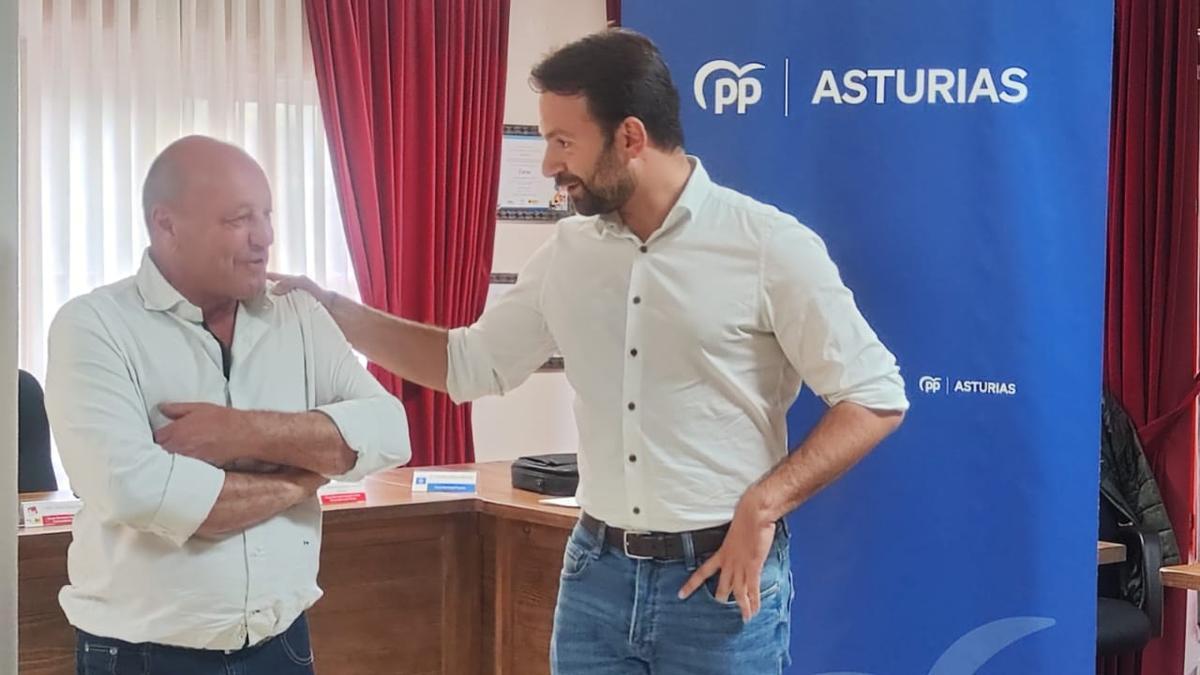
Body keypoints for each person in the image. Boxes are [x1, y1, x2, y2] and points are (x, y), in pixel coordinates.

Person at [272, 29, 908, 675]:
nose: (548, 163)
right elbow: (468, 364)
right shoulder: (566, 255)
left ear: (630, 138)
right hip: (593, 578)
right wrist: (336, 309)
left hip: (719, 585)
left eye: (562, 141)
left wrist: (764, 502)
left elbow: (876, 397)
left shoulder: (769, 246)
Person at [45, 135, 411, 674]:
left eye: (266, 215)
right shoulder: (93, 326)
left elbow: (389, 432)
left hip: (281, 645)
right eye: (239, 219)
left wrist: (242, 433)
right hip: (145, 655)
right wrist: (304, 476)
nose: (263, 237)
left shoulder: (299, 317)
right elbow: (140, 491)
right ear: (166, 223)